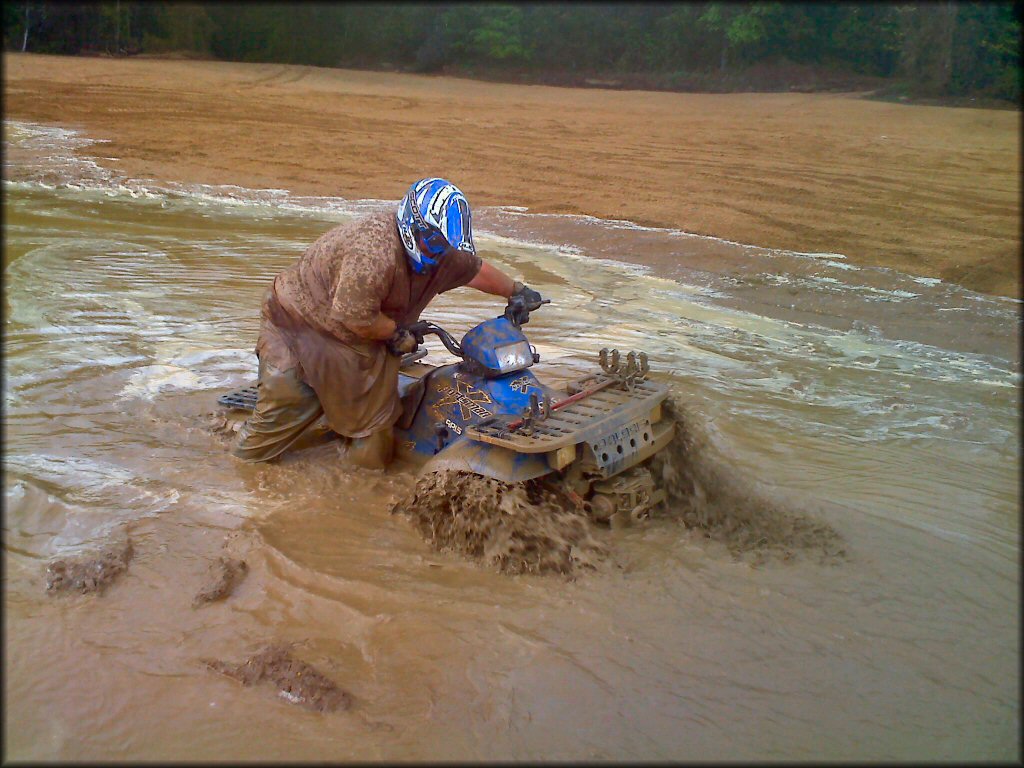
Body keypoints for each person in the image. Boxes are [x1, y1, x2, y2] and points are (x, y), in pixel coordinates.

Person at [232, 177, 542, 469]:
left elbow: (473, 271)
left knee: (374, 434)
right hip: (299, 326)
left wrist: (516, 291)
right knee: (280, 418)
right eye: (433, 243)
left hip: (361, 337)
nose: (439, 253)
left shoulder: (441, 248)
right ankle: (234, 478)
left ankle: (357, 494)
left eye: (444, 246)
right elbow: (356, 317)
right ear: (412, 225)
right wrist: (396, 333)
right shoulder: (373, 252)